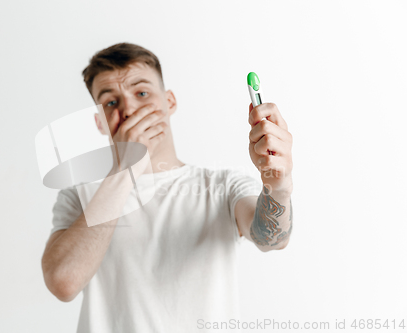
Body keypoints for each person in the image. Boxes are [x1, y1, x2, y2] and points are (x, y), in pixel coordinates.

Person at [41, 42, 294, 332]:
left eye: (142, 93)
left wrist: (279, 186)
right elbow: (63, 283)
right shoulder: (79, 197)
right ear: (100, 123)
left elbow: (272, 239)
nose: (129, 110)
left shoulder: (222, 186)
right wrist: (126, 169)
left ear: (169, 101)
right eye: (111, 102)